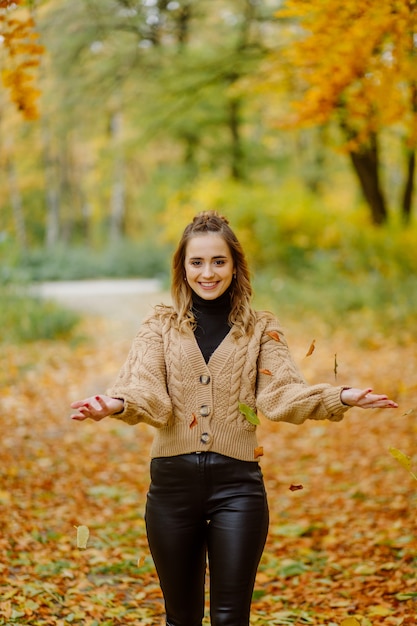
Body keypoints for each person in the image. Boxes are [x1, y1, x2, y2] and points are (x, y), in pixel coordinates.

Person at [70, 211, 398, 626]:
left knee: (230, 618)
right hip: (171, 490)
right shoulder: (160, 325)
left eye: (218, 261)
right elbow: (148, 392)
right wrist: (116, 404)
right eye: (197, 262)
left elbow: (280, 396)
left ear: (235, 265)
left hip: (238, 489)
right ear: (182, 267)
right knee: (181, 618)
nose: (208, 273)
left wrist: (340, 396)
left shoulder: (261, 329)